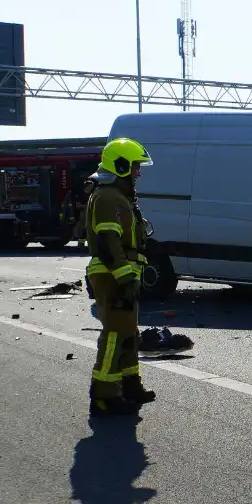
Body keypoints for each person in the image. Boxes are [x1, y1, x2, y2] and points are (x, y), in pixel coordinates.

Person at [85, 138, 156, 417]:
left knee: (128, 334)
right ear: (122, 165)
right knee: (115, 336)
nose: (138, 173)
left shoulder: (117, 196)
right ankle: (104, 396)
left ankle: (129, 386)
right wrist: (125, 278)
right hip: (113, 275)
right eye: (136, 167)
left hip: (121, 274)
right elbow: (107, 242)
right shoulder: (108, 197)